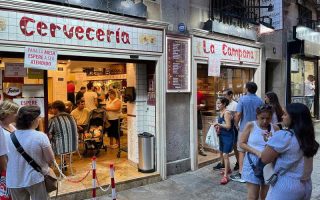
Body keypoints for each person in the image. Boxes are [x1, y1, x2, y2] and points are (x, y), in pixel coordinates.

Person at [261, 103, 319, 200]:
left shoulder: (284, 136)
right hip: (306, 184)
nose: (282, 116)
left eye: (285, 114)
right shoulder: (307, 136)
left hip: (285, 185)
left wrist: (270, 142)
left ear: (294, 117)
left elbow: (265, 158)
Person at [6, 106, 55, 200]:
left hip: (14, 180)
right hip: (35, 179)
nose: (39, 119)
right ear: (33, 120)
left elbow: (6, 159)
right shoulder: (40, 136)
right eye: (38, 118)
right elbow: (50, 160)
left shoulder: (9, 137)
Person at [239, 104, 279, 200]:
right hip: (252, 164)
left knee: (266, 196)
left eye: (268, 118)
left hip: (269, 165)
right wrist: (257, 152)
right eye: (262, 118)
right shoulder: (251, 125)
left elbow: (278, 147)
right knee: (253, 196)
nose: (265, 121)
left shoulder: (276, 128)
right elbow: (242, 143)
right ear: (257, 116)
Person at [231, 82, 263, 183]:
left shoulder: (242, 99)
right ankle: (255, 170)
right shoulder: (260, 100)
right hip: (256, 129)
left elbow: (238, 114)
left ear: (247, 89)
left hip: (244, 128)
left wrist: (236, 124)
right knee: (254, 149)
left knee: (241, 150)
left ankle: (241, 173)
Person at [214, 97, 235, 184]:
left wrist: (218, 124)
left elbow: (228, 126)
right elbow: (223, 125)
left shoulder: (226, 113)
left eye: (219, 103)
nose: (217, 105)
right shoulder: (220, 112)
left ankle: (226, 176)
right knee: (223, 153)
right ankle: (228, 169)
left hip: (228, 136)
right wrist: (217, 127)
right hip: (222, 135)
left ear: (224, 104)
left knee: (225, 154)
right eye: (217, 103)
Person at [197, 91, 207, 156]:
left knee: (200, 132)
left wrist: (199, 106)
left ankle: (201, 149)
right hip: (188, 114)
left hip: (197, 114)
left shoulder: (200, 94)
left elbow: (204, 104)